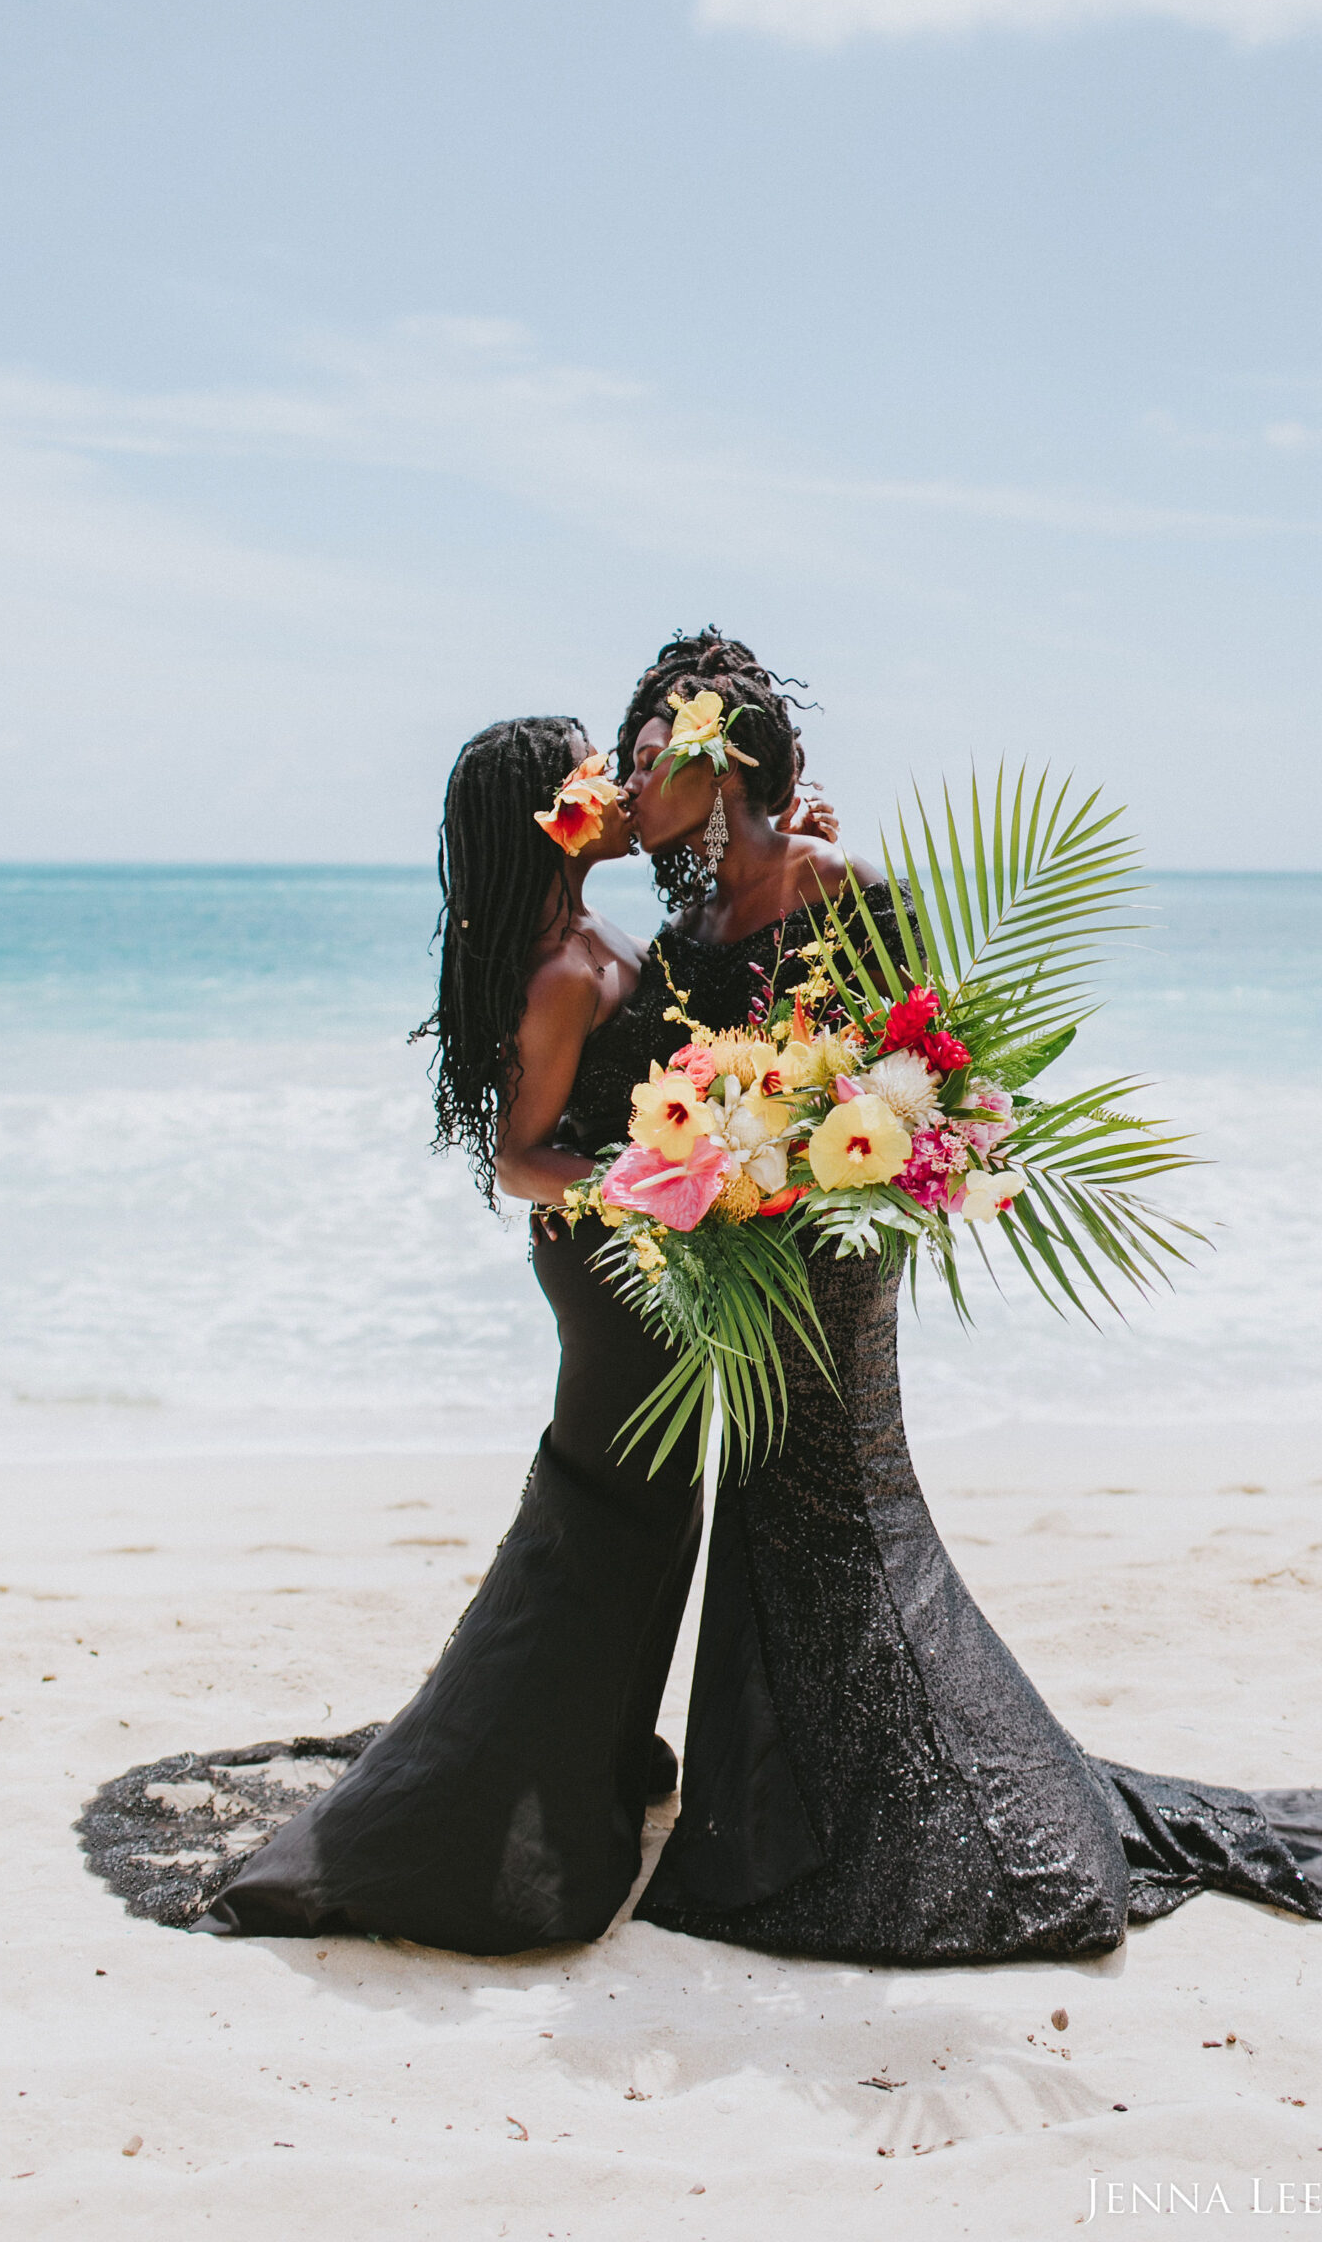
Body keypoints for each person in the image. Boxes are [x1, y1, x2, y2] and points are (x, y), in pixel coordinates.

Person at [612, 631, 1322, 1962]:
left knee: (852, 1521)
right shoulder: (687, 913)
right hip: (747, 1263)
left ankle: (935, 1801)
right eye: (632, 761)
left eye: (657, 760)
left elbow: (926, 1066)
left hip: (838, 1250)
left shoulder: (844, 886)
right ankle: (793, 1795)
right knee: (767, 1522)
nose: (636, 779)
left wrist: (833, 1159)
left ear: (722, 771)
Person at [77, 710, 839, 1950]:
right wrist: (648, 1179)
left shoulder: (595, 928)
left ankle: (593, 1749)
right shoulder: (556, 972)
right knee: (609, 1505)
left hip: (646, 1260)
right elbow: (517, 1160)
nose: (609, 785)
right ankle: (492, 1801)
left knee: (650, 1506)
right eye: (588, 773)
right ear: (545, 817)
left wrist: (790, 836)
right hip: (606, 1271)